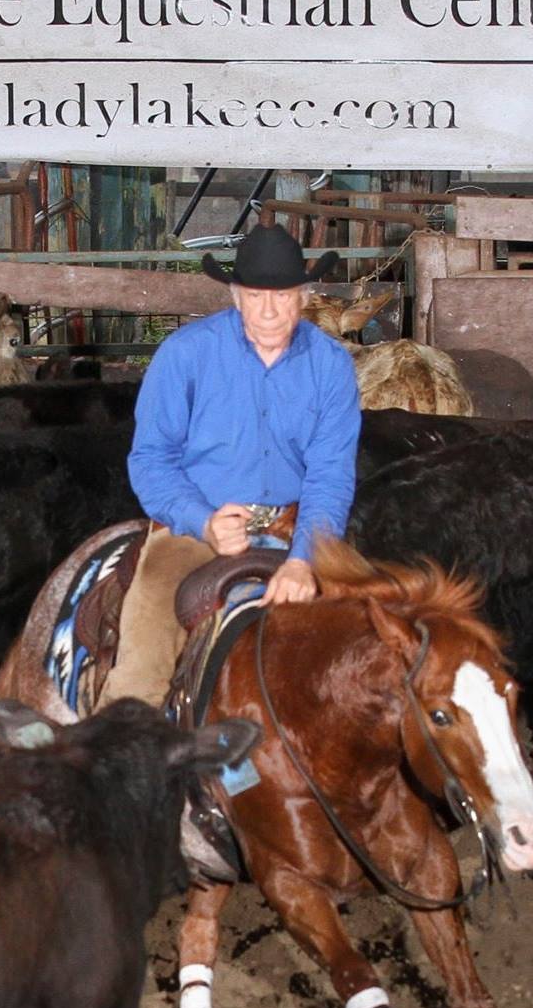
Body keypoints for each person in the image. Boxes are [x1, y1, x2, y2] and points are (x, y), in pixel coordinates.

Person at [102, 223, 362, 708]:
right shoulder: (185, 355)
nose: (269, 310)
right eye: (256, 294)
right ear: (236, 295)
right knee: (149, 637)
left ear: (303, 295)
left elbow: (331, 474)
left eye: (282, 295)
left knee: (375, 633)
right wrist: (203, 521)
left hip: (295, 523)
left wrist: (304, 559)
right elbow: (151, 458)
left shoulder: (330, 365)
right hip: (194, 526)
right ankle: (127, 736)